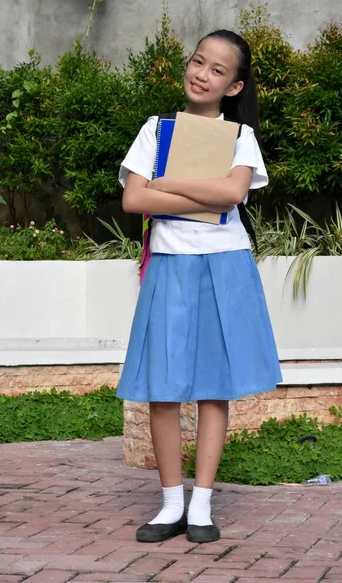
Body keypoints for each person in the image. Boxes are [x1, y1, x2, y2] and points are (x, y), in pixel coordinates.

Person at [117, 29, 282, 544]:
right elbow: (132, 202)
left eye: (217, 70)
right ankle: (170, 505)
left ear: (233, 86)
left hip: (225, 265)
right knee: (162, 389)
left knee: (213, 386)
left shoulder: (240, 136)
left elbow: (233, 193)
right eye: (198, 61)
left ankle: (204, 505)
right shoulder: (156, 130)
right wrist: (197, 195)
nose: (202, 74)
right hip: (170, 263)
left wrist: (164, 184)